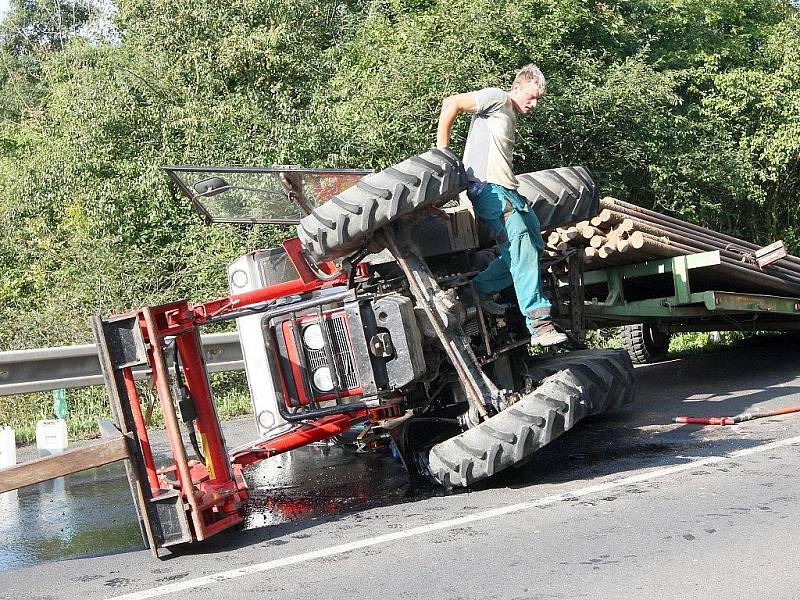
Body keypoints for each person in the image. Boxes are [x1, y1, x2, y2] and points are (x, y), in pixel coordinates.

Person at [436, 64, 567, 347]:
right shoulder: (498, 98)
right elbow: (453, 103)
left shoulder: (510, 113)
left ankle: (477, 290)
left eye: (538, 100)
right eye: (531, 97)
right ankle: (540, 323)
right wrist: (443, 154)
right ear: (517, 87)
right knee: (519, 241)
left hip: (509, 190)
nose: (534, 104)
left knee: (531, 243)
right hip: (489, 190)